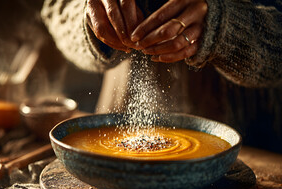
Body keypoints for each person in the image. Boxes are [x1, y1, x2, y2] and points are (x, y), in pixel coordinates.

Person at [40, 0, 282, 152]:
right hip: (118, 124)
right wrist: (93, 19)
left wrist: (227, 29)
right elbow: (55, 7)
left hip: (258, 144)